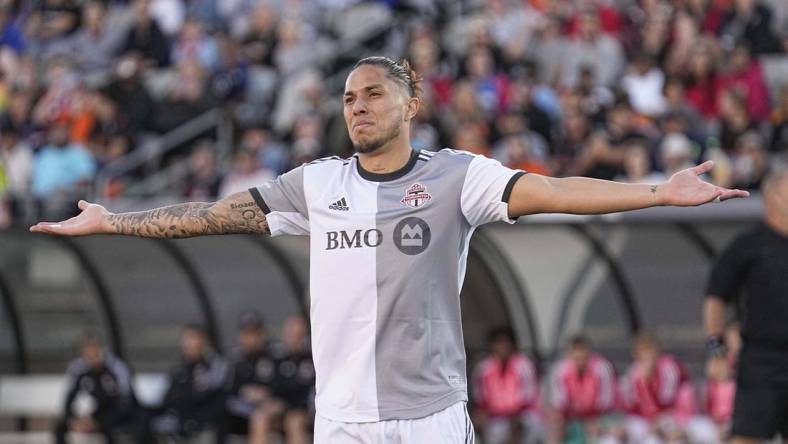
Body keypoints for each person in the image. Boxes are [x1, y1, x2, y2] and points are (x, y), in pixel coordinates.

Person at [31, 56, 748, 443]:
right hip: (342, 417)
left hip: (429, 414)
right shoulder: (314, 184)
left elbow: (555, 188)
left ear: (411, 104)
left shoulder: (457, 177)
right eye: (347, 98)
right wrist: (115, 222)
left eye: (373, 94)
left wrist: (659, 191)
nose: (357, 107)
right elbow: (210, 216)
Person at [703, 166, 788, 443]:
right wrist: (716, 349)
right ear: (774, 196)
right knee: (748, 437)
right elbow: (716, 297)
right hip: (761, 361)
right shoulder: (749, 245)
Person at [139, 325, 226, 443]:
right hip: (178, 418)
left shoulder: (214, 366)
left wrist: (194, 418)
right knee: (144, 417)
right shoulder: (180, 369)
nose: (188, 345)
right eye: (186, 341)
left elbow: (217, 398)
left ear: (203, 342)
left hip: (200, 421)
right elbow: (168, 397)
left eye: (192, 339)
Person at [54, 333, 137, 444]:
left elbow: (124, 402)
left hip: (118, 413)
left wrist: (97, 422)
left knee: (110, 428)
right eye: (87, 352)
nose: (91, 356)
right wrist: (74, 419)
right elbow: (70, 397)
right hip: (96, 413)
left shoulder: (116, 368)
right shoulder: (80, 369)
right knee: (61, 426)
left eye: (95, 352)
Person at [618, 333, 693, 444]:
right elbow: (631, 404)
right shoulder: (633, 371)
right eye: (642, 352)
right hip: (644, 419)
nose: (646, 355)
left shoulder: (669, 366)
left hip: (672, 416)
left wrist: (648, 381)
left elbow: (667, 401)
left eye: (649, 351)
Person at [472, 327, 542, 444]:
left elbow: (528, 397)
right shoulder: (483, 369)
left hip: (522, 416)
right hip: (495, 418)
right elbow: (481, 400)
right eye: (498, 343)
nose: (503, 347)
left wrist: (513, 415)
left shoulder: (523, 365)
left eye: (506, 343)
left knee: (522, 423)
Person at [549, 335, 616, 444]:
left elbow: (606, 403)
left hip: (597, 419)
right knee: (555, 433)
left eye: (583, 356)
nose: (580, 361)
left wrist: (594, 421)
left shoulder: (602, 369)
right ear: (570, 355)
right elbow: (559, 404)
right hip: (570, 420)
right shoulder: (560, 370)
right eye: (576, 357)